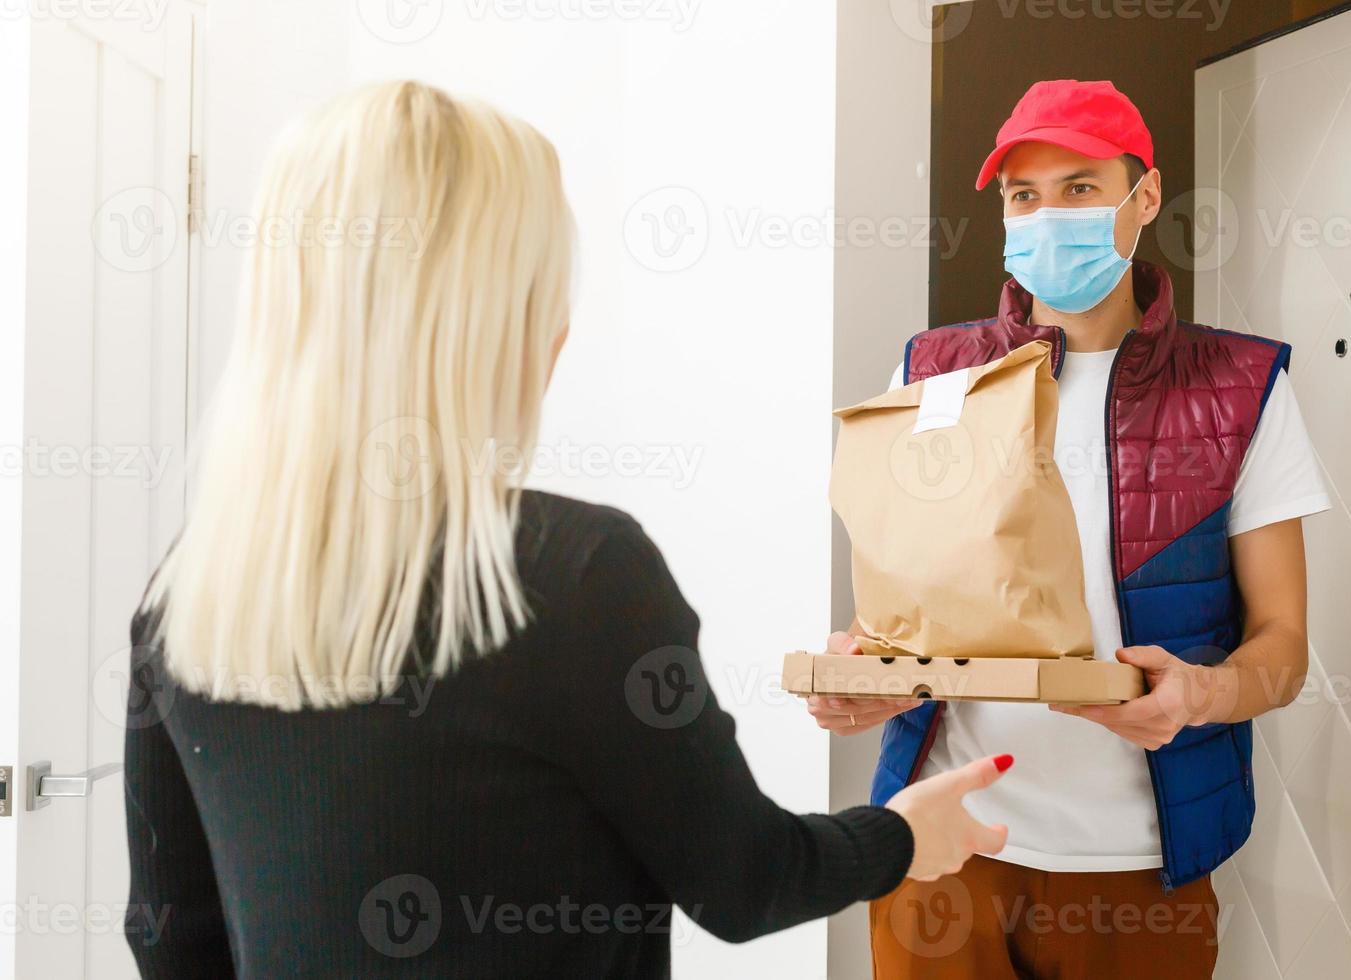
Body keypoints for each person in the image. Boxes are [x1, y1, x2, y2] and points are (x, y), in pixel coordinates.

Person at [121, 80, 1014, 979]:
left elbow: (169, 936)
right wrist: (901, 835)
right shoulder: (575, 574)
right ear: (488, 318)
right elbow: (742, 881)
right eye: (544, 284)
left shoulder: (188, 594)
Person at [807, 79, 1330, 978]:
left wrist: (1200, 696)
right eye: (1024, 197)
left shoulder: (1241, 388)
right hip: (943, 853)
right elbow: (908, 608)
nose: (1049, 217)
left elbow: (1283, 647)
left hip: (1136, 873)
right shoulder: (932, 370)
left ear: (1146, 196)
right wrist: (869, 674)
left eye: (1081, 189)